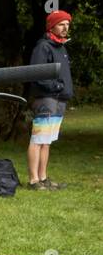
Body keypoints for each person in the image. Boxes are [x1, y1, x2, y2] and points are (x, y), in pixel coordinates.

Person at [26, 10, 73, 190]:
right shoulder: (43, 47)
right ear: (51, 26)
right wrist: (57, 87)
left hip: (59, 100)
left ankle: (43, 178)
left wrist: (64, 90)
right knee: (38, 139)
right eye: (61, 24)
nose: (65, 28)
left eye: (67, 25)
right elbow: (37, 74)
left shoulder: (61, 47)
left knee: (47, 140)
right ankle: (33, 180)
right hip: (46, 98)